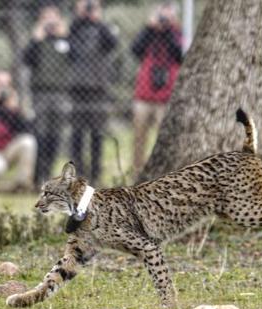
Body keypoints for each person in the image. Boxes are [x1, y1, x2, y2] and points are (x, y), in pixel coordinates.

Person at [68, 0, 118, 184]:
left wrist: (98, 20)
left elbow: (113, 43)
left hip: (98, 88)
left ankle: (96, 174)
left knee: (97, 133)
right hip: (77, 88)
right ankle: (78, 173)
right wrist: (79, 16)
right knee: (77, 133)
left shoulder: (102, 28)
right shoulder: (74, 27)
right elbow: (68, 45)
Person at [130, 2, 183, 177]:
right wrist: (149, 28)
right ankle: (138, 171)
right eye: (161, 15)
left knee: (165, 138)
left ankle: (165, 173)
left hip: (166, 97)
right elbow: (135, 49)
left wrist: (168, 30)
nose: (163, 19)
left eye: (167, 16)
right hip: (144, 95)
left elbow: (179, 54)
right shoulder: (149, 33)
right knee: (139, 137)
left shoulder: (176, 34)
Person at [22, 5, 70, 185]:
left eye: (53, 16)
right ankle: (37, 175)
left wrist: (65, 35)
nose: (50, 20)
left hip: (61, 93)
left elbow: (78, 57)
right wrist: (36, 38)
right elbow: (26, 59)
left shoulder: (65, 39)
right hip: (40, 93)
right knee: (40, 134)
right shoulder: (37, 40)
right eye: (46, 16)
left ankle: (49, 173)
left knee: (55, 135)